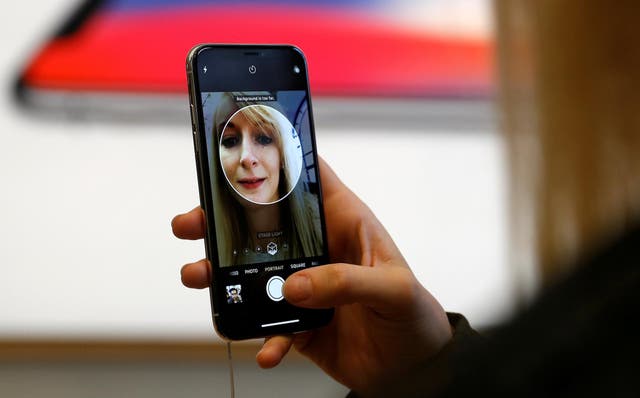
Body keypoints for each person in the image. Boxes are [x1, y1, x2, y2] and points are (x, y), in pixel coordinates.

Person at [209, 93, 322, 267]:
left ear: (282, 155)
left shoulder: (321, 227)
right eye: (230, 140)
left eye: (263, 138)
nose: (247, 158)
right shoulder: (217, 240)